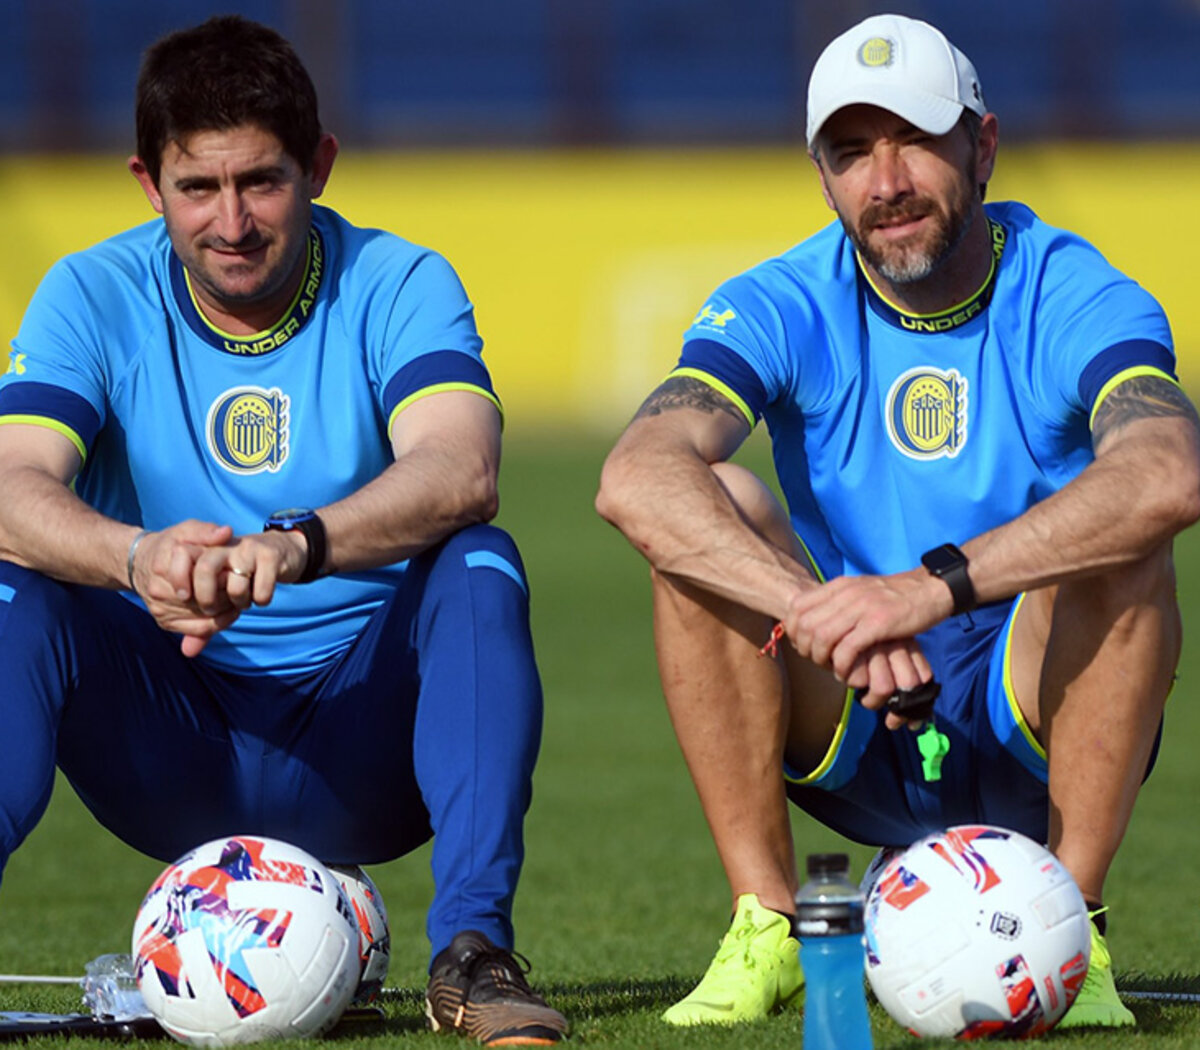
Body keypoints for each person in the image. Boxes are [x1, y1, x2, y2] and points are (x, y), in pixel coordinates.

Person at [596, 11, 1200, 1032]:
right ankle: (771, 922)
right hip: (855, 709)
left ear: (985, 144)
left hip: (1032, 703)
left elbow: (1169, 473)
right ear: (820, 175)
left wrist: (923, 591)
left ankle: (1074, 918)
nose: (886, 182)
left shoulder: (1071, 289)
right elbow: (634, 477)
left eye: (916, 138)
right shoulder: (785, 297)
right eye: (849, 153)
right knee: (718, 507)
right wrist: (833, 615)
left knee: (1117, 528)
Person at [0, 15, 567, 1047]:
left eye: (262, 181)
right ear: (147, 182)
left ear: (321, 165)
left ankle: (475, 954)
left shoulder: (398, 281)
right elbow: (10, 486)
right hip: (170, 744)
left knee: (482, 561)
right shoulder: (92, 290)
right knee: (16, 583)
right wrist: (134, 557)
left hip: (364, 749)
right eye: (197, 188)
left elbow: (461, 467)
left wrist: (297, 546)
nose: (232, 222)